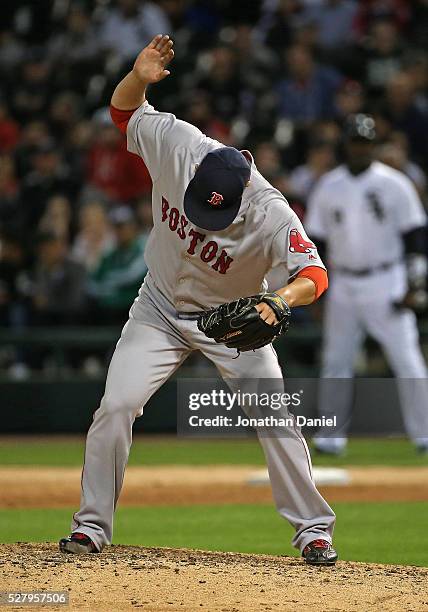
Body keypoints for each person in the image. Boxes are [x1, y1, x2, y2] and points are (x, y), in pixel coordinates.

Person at [59, 35, 337, 566]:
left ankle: (313, 532)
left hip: (231, 322)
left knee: (274, 415)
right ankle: (91, 527)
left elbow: (315, 275)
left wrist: (278, 301)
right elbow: (123, 112)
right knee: (115, 406)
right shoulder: (180, 144)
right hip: (159, 307)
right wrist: (137, 77)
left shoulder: (271, 213)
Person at [305, 114, 428, 455]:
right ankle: (330, 438)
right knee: (336, 360)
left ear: (374, 145)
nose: (361, 148)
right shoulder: (329, 185)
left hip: (387, 279)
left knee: (406, 358)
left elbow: (415, 236)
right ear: (346, 145)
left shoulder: (395, 183)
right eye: (356, 142)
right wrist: (316, 290)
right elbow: (316, 242)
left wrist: (415, 284)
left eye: (366, 143)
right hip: (343, 281)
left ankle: (425, 434)